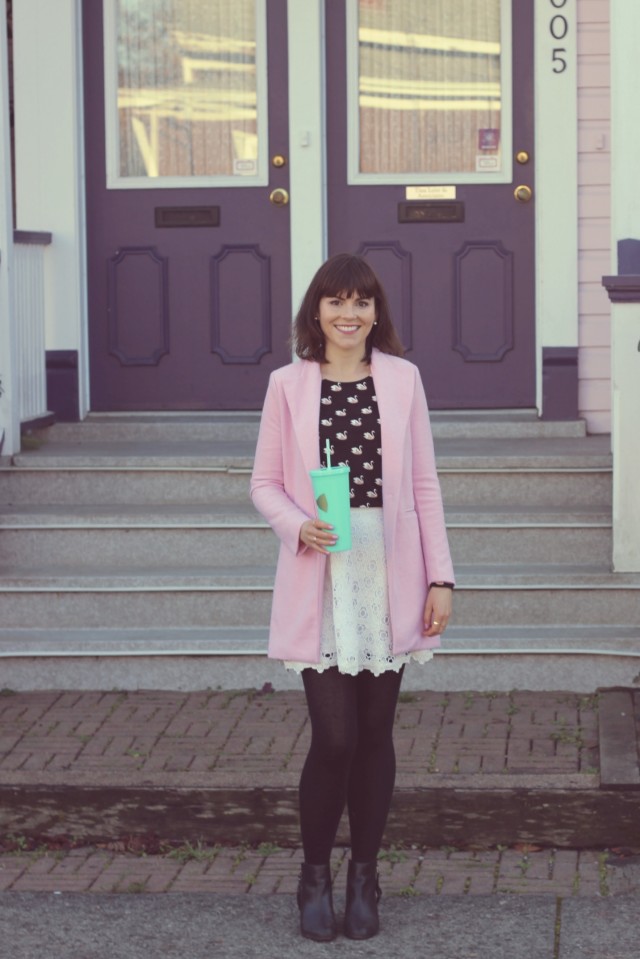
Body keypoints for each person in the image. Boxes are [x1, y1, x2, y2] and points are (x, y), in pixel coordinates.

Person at [250, 253, 454, 942]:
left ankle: (365, 876)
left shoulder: (402, 380)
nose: (349, 313)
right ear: (317, 312)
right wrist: (296, 523)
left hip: (388, 570)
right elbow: (264, 483)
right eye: (336, 301)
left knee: (374, 734)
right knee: (333, 737)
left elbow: (424, 486)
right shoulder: (287, 385)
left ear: (376, 313)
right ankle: (314, 875)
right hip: (322, 569)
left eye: (361, 302)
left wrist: (441, 578)